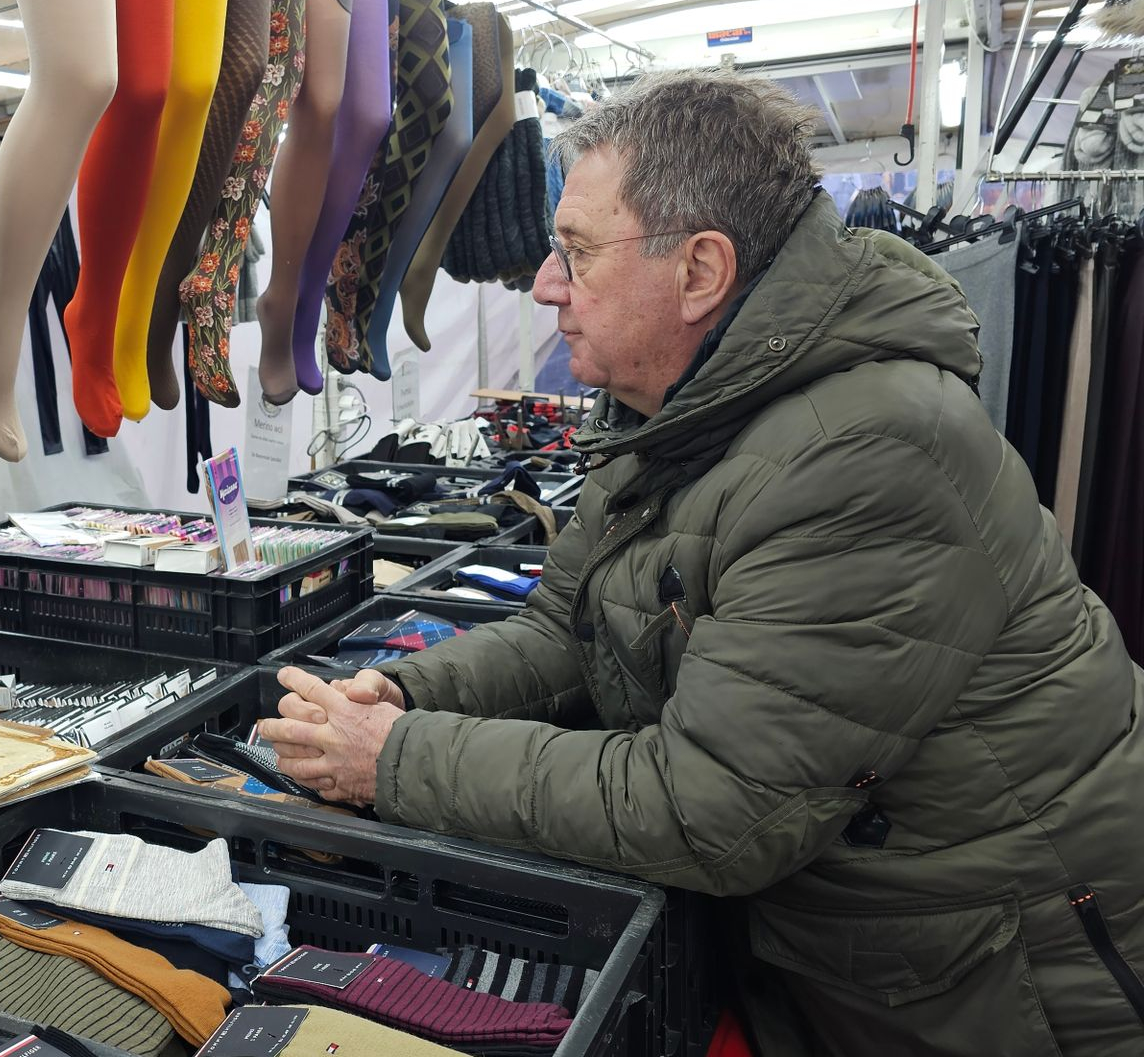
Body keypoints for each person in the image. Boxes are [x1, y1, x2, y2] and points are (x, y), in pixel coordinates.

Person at [260, 71, 1144, 1055]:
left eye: (577, 254)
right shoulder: (676, 403)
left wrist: (397, 760)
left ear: (701, 272)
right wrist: (405, 693)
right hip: (872, 945)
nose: (546, 285)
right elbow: (569, 630)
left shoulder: (869, 451)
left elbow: (716, 808)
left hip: (1008, 981)